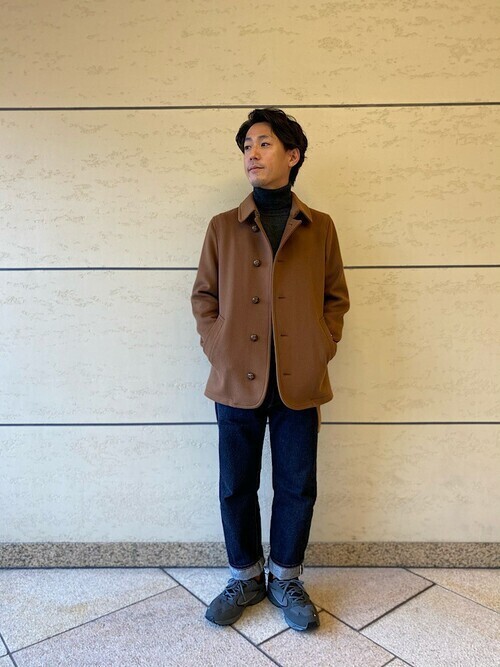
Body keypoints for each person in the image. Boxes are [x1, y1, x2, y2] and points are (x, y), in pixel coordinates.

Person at [191, 107, 350, 631]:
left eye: (263, 144)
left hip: (299, 380)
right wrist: (218, 345)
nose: (252, 155)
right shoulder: (222, 226)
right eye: (246, 147)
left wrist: (323, 344)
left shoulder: (320, 227)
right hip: (236, 377)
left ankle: (285, 577)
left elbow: (335, 298)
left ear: (293, 155)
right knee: (235, 484)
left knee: (297, 484)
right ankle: (245, 577)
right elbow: (204, 296)